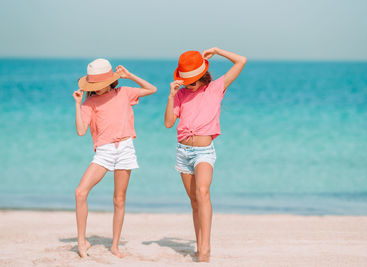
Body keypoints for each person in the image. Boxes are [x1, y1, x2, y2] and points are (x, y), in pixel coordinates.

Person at [164, 47, 246, 262]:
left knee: (203, 192)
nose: (188, 84)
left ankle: (205, 249)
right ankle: (199, 244)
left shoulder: (216, 88)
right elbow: (168, 123)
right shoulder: (181, 94)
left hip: (204, 152)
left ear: (202, 77)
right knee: (193, 201)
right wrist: (172, 95)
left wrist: (218, 51)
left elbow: (241, 61)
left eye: (191, 81)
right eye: (185, 81)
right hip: (183, 151)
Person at [72, 58, 157, 258]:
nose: (98, 89)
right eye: (94, 85)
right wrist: (78, 104)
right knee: (80, 193)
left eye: (100, 85)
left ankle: (115, 246)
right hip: (105, 151)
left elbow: (152, 89)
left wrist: (129, 76)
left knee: (119, 200)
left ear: (111, 81)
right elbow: (81, 131)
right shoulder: (89, 102)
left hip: (126, 148)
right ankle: (82, 241)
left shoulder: (124, 92)